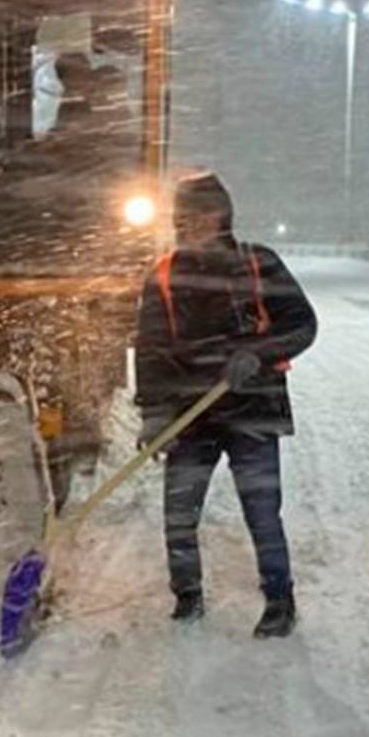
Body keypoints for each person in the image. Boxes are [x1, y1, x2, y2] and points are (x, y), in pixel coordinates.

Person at [134, 171, 318, 637]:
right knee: (179, 513)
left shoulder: (259, 264)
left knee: (261, 511)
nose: (184, 224)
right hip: (189, 417)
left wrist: (257, 353)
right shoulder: (164, 274)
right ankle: (187, 596)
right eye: (179, 217)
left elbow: (302, 325)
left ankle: (280, 600)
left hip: (253, 411)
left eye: (193, 215)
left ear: (218, 216)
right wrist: (155, 414)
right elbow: (151, 351)